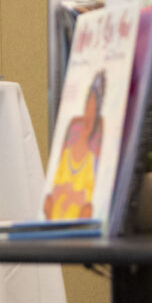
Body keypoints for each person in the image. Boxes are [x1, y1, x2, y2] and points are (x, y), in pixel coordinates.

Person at [43, 70, 107, 220]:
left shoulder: (92, 160)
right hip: (57, 216)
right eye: (87, 108)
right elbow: (55, 185)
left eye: (93, 111)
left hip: (78, 221)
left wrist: (74, 195)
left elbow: (91, 196)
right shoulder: (67, 153)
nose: (88, 116)